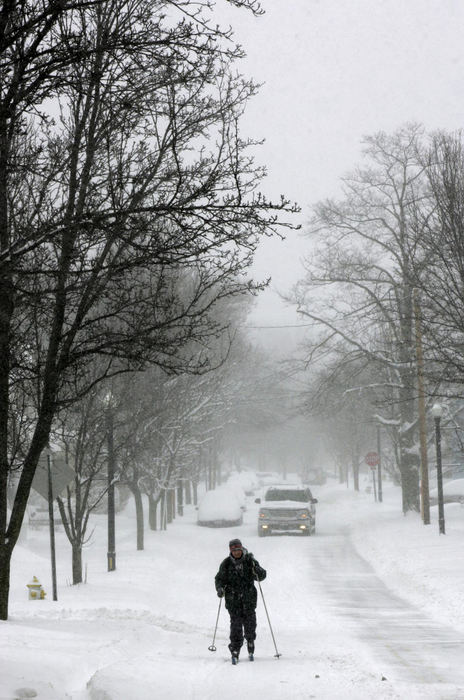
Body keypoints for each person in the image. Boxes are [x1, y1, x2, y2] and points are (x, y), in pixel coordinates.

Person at [215, 538, 267, 662]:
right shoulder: (226, 563)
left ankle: (250, 641)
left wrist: (258, 571)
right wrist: (220, 589)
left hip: (249, 598)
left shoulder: (250, 561)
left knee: (250, 623)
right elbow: (219, 579)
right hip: (233, 600)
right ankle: (235, 648)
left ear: (241, 549)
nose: (236, 552)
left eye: (238, 550)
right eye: (234, 550)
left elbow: (262, 576)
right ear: (230, 551)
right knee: (236, 625)